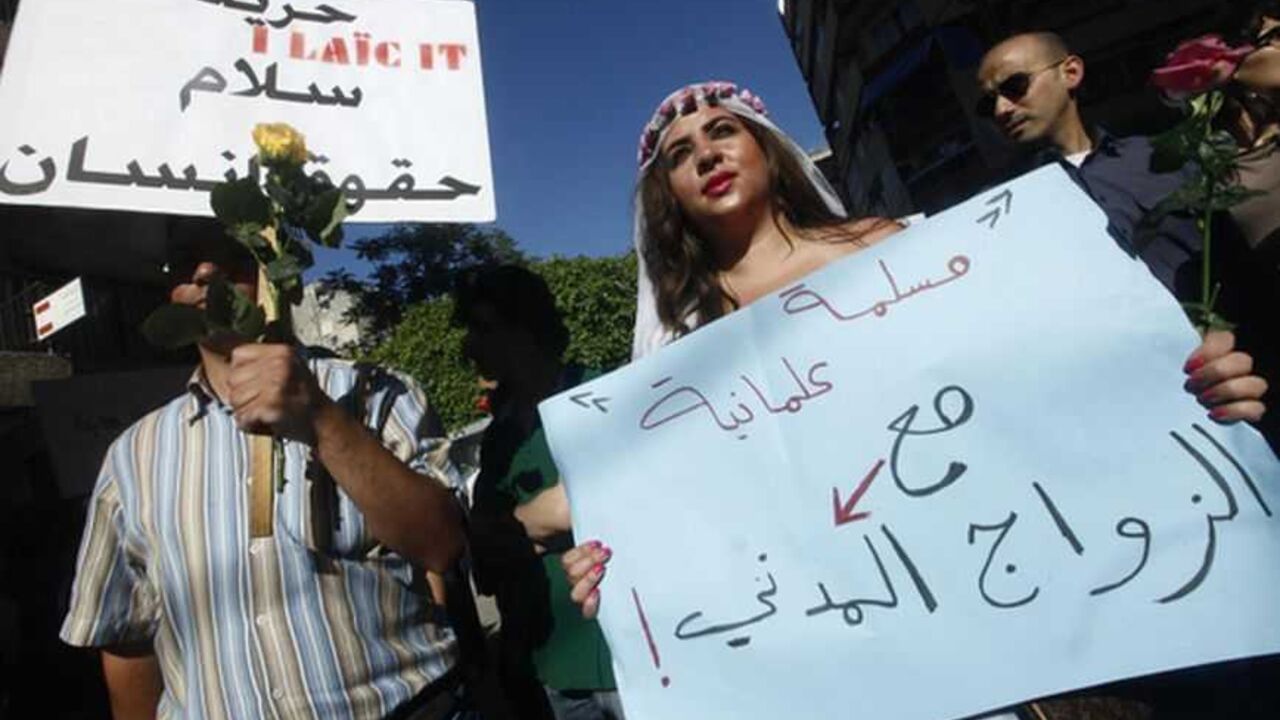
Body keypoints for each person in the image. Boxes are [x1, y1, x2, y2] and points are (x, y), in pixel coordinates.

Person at [558, 80, 1271, 719]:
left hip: (1008, 599)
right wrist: (622, 571)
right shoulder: (675, 355)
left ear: (769, 150)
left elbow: (1035, 375)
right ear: (668, 193)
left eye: (722, 132)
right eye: (680, 154)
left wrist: (1183, 383)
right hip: (850, 659)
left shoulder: (901, 251)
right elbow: (687, 512)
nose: (706, 155)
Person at [59, 218, 470, 720]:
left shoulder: (375, 394)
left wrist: (321, 417)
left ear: (275, 271)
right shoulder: (133, 456)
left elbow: (442, 545)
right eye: (186, 260)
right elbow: (125, 638)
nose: (207, 270)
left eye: (233, 253)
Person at [453, 265, 622, 720]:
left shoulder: (603, 394)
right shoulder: (499, 439)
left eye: (482, 328)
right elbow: (483, 557)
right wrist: (537, 520)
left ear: (527, 327)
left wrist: (520, 527)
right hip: (543, 670)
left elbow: (631, 502)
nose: (469, 346)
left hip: (624, 660)